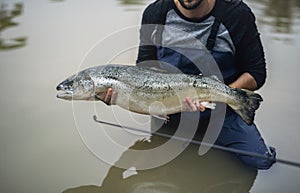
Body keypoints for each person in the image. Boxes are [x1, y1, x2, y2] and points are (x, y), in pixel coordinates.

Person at [103, 0, 276, 169]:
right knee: (157, 170)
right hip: (170, 112)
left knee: (261, 162)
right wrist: (121, 95)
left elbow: (256, 73)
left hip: (223, 112)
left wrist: (215, 95)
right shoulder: (156, 13)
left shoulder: (236, 14)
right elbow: (144, 68)